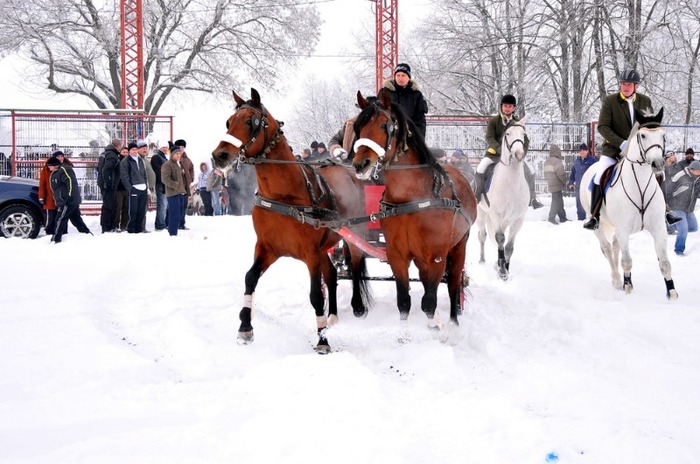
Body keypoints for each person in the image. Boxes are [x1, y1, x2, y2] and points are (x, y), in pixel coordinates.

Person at [585, 68, 680, 229]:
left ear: (637, 85)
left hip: (640, 152)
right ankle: (595, 216)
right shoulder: (610, 101)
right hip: (614, 150)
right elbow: (602, 127)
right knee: (599, 175)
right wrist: (621, 143)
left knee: (659, 174)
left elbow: (651, 126)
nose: (625, 87)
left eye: (629, 84)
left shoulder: (645, 101)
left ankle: (666, 211)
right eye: (623, 83)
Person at [474, 94, 543, 209]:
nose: (507, 108)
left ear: (514, 108)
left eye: (510, 106)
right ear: (501, 107)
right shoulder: (493, 121)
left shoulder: (518, 122)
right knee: (480, 168)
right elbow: (489, 138)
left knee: (530, 170)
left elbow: (525, 140)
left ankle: (533, 198)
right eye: (505, 106)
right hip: (494, 154)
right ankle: (476, 195)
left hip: (513, 157)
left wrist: (522, 153)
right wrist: (500, 149)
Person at [47, 153, 92, 243]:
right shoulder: (56, 172)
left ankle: (56, 238)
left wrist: (69, 197)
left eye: (49, 166)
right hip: (66, 200)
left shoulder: (64, 170)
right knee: (76, 220)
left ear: (54, 165)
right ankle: (87, 235)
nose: (48, 168)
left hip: (68, 201)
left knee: (60, 218)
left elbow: (71, 182)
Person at [383, 63, 429, 139]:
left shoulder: (416, 95)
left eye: (403, 75)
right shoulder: (385, 93)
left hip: (409, 135)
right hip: (388, 135)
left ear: (409, 77)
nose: (400, 78)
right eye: (398, 75)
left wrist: (419, 139)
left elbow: (420, 121)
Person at [329, 96, 378, 164]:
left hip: (369, 168)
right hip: (348, 167)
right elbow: (335, 139)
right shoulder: (351, 125)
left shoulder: (380, 129)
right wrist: (336, 150)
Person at [667, 160, 700, 255]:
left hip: (688, 208)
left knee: (694, 228)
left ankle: (671, 226)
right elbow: (668, 189)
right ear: (692, 170)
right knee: (683, 229)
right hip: (676, 206)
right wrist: (666, 204)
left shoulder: (697, 178)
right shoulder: (680, 175)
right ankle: (679, 250)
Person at [39, 151, 74, 235]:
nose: (61, 158)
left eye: (62, 156)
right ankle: (50, 233)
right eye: (58, 156)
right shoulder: (47, 168)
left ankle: (62, 233)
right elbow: (42, 183)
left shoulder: (66, 167)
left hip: (62, 197)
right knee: (51, 217)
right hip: (50, 197)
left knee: (63, 216)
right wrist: (41, 196)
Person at [120, 141, 149, 233]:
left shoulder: (140, 160)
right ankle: (131, 229)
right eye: (133, 149)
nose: (135, 151)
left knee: (141, 211)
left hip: (143, 188)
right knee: (133, 211)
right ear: (129, 151)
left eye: (136, 149)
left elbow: (144, 174)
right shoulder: (125, 161)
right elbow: (124, 176)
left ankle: (139, 228)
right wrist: (130, 188)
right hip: (134, 188)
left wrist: (146, 186)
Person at [161, 145, 188, 236]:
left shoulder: (178, 164)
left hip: (180, 192)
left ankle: (174, 231)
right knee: (174, 215)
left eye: (179, 153)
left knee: (180, 215)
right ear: (172, 154)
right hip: (173, 193)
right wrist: (175, 185)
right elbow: (165, 179)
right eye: (176, 153)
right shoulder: (167, 165)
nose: (178, 155)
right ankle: (172, 233)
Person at [567, 143, 597, 220]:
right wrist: (571, 182)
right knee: (579, 203)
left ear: (587, 151)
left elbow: (596, 172)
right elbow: (573, 174)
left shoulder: (592, 161)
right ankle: (580, 219)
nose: (582, 151)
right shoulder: (576, 162)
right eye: (581, 150)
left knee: (590, 202)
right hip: (578, 186)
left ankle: (593, 218)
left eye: (584, 150)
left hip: (589, 187)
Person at [98, 139, 122, 233]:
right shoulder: (112, 155)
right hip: (108, 185)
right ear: (118, 146)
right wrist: (108, 183)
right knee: (109, 206)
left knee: (107, 206)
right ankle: (107, 228)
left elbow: (99, 167)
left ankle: (107, 226)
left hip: (104, 183)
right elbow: (106, 169)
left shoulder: (104, 153)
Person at [543, 144, 568, 224]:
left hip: (551, 184)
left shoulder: (547, 161)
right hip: (557, 184)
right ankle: (551, 217)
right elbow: (561, 174)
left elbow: (545, 174)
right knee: (556, 202)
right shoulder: (557, 161)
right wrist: (564, 182)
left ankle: (562, 217)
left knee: (559, 201)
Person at [173, 139, 194, 230]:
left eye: (182, 147)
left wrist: (191, 178)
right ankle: (174, 224)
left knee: (184, 205)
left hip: (185, 186)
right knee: (176, 206)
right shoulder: (173, 158)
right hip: (176, 186)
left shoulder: (187, 159)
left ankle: (182, 223)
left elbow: (191, 169)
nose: (181, 149)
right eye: (179, 147)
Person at [137, 140, 156, 232]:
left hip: (147, 188)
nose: (145, 150)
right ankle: (140, 227)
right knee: (141, 209)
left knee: (144, 209)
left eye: (146, 148)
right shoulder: (138, 159)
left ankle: (142, 227)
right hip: (141, 188)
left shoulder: (144, 159)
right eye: (143, 148)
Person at [151, 140, 169, 231]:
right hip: (161, 185)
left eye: (166, 147)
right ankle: (160, 225)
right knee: (162, 206)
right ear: (159, 148)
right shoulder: (157, 157)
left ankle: (163, 223)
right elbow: (158, 172)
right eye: (163, 147)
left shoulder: (164, 157)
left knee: (165, 206)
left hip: (166, 185)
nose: (165, 149)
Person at [114, 145, 130, 231]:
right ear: (120, 152)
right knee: (118, 207)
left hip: (127, 188)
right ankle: (116, 225)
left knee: (126, 207)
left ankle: (124, 225)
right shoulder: (117, 161)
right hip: (118, 188)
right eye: (123, 152)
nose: (125, 154)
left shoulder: (129, 161)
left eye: (127, 152)